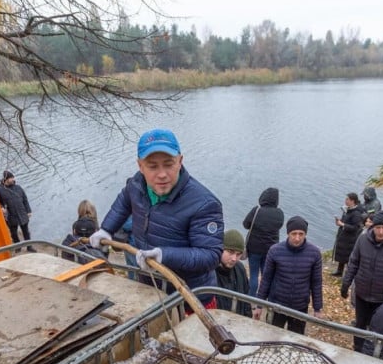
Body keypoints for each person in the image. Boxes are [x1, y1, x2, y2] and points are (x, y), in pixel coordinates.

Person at [89, 128, 223, 308]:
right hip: (150, 289)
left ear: (180, 161)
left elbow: (210, 255)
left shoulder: (204, 203)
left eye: (169, 164)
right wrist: (107, 229)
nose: (161, 174)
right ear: (140, 166)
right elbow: (124, 200)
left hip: (191, 298)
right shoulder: (137, 183)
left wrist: (164, 255)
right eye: (152, 166)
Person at [340, 210, 383, 352]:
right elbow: (354, 262)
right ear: (372, 227)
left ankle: (373, 352)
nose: (381, 232)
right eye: (378, 228)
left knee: (378, 327)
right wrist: (346, 283)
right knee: (360, 324)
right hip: (362, 292)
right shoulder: (363, 240)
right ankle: (357, 349)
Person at [254, 216, 323, 335]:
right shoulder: (275, 251)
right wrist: (259, 305)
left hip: (300, 306)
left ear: (305, 234)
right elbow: (266, 279)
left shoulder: (314, 253)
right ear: (288, 233)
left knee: (296, 340)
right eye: (294, 234)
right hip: (276, 304)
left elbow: (316, 282)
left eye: (301, 234)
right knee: (271, 337)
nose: (297, 238)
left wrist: (317, 308)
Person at [242, 188, 284, 297]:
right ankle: (264, 297)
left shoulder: (256, 210)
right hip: (271, 250)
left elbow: (245, 224)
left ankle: (251, 297)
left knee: (254, 274)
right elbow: (279, 226)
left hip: (254, 248)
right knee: (267, 275)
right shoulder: (280, 213)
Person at [215, 229, 251, 317]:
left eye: (238, 254)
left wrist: (248, 319)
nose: (234, 258)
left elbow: (246, 297)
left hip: (238, 322)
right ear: (221, 249)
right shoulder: (208, 272)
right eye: (230, 252)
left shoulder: (240, 268)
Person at [1, 170, 36, 252]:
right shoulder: (1, 191)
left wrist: (28, 211)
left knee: (26, 232)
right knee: (13, 233)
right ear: (6, 179)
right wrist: (1, 207)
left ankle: (29, 246)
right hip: (11, 215)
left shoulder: (18, 188)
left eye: (13, 177)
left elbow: (25, 200)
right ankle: (18, 246)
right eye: (11, 178)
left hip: (22, 213)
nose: (13, 179)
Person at [331, 192, 364, 276]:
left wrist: (343, 224)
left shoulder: (356, 213)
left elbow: (355, 228)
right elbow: (344, 222)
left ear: (352, 201)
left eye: (347, 199)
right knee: (342, 254)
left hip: (350, 238)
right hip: (344, 235)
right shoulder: (348, 210)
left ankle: (348, 274)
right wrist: (339, 222)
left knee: (347, 256)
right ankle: (339, 271)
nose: (345, 201)